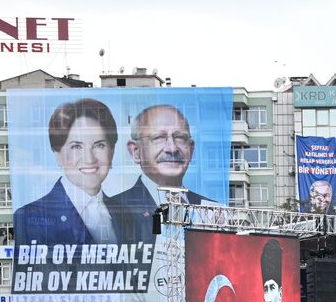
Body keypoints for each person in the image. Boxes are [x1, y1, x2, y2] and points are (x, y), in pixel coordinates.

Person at [14, 98, 124, 249]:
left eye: (99, 145)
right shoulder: (29, 218)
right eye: (76, 146)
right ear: (57, 154)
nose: (89, 159)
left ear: (112, 151)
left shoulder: (128, 213)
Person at [109, 103, 212, 241]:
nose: (172, 148)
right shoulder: (112, 210)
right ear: (136, 151)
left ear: (191, 149)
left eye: (180, 137)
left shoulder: (211, 210)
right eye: (158, 138)